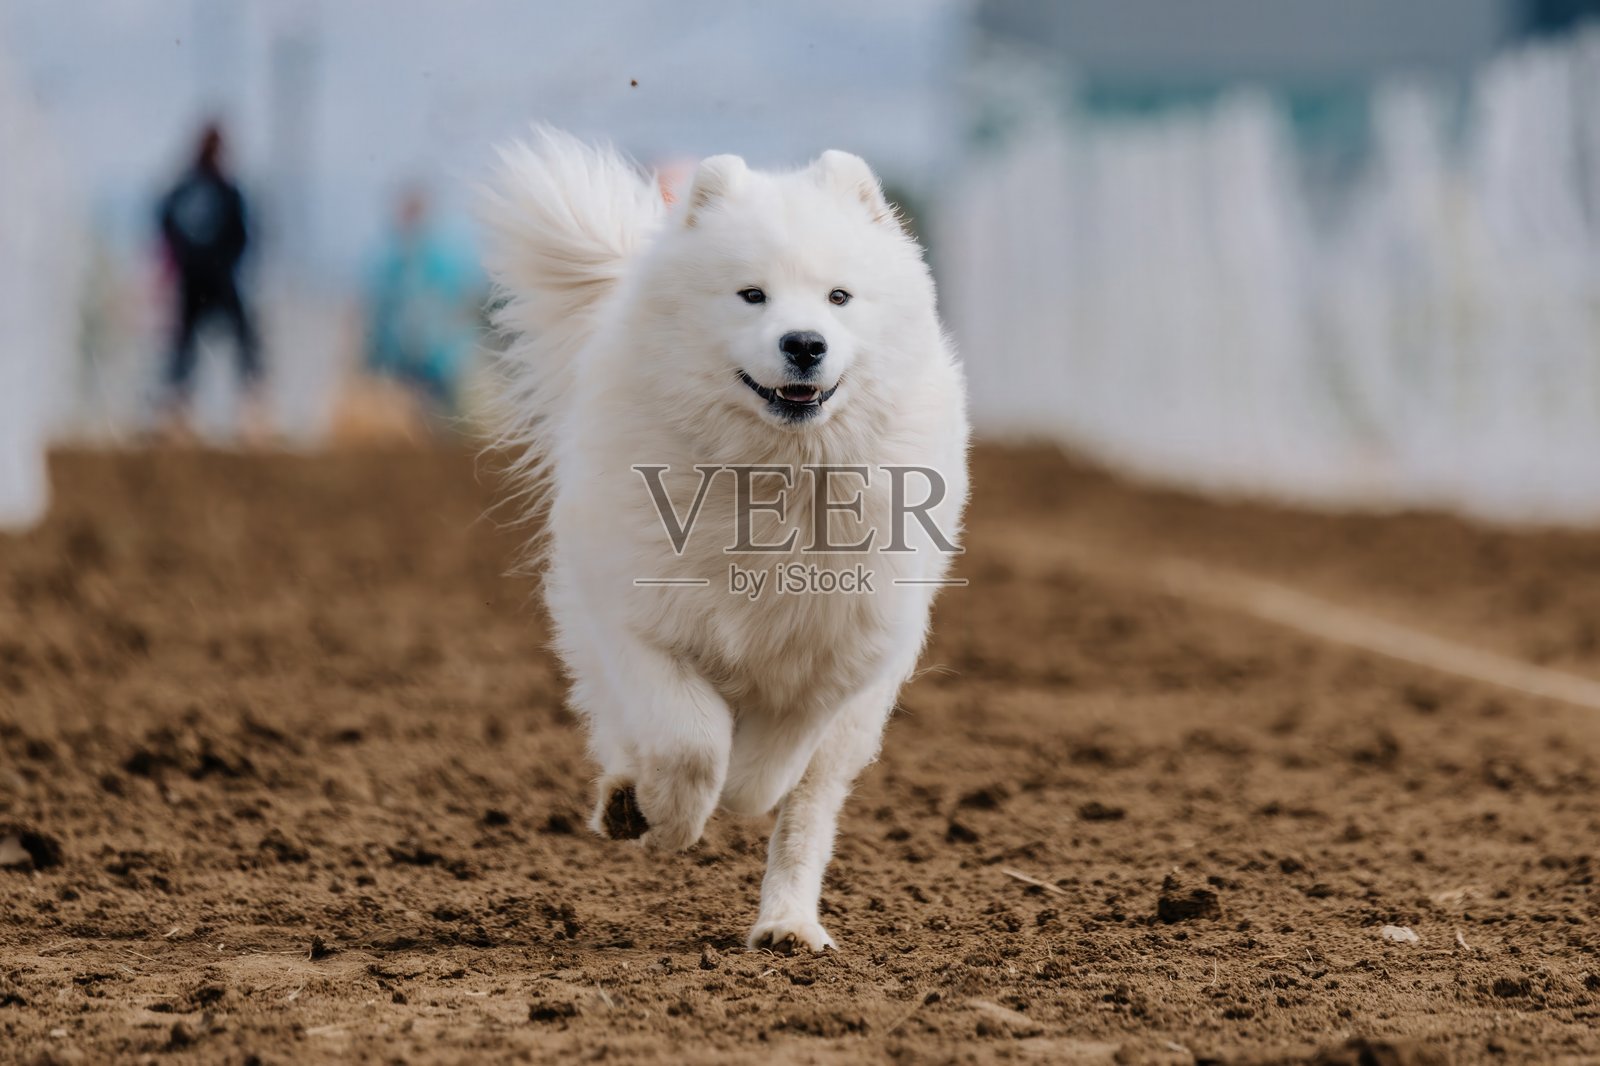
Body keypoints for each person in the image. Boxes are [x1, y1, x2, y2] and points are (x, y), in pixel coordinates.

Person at [156, 122, 262, 436]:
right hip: (216, 279)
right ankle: (247, 403)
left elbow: (165, 225)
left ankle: (181, 406)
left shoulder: (188, 189)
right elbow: (243, 235)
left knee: (188, 347)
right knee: (234, 341)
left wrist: (180, 260)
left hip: (198, 280)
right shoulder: (219, 190)